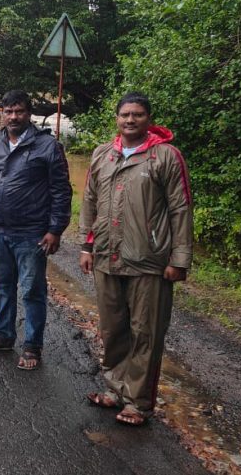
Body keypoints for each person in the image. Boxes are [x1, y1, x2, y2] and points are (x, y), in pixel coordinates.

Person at [79, 92, 193, 426]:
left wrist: (180, 258)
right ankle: (115, 389)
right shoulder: (103, 155)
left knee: (146, 332)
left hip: (149, 259)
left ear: (148, 119)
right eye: (125, 115)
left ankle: (138, 402)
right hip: (106, 256)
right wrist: (87, 246)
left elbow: (181, 208)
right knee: (113, 329)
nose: (131, 120)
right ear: (116, 118)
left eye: (138, 115)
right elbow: (89, 201)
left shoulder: (166, 157)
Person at [0, 90, 72, 370]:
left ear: (29, 114)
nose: (13, 116)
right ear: (2, 114)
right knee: (3, 287)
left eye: (19, 111)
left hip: (32, 233)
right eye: (8, 111)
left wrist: (56, 229)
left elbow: (61, 191)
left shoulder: (47, 147)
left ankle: (32, 347)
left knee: (32, 290)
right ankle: (3, 336)